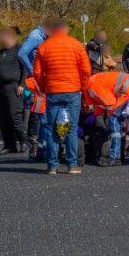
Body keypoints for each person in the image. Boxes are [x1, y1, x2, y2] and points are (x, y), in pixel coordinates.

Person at [33, 16, 90, 175]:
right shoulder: (77, 45)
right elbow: (86, 71)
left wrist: (44, 87)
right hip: (72, 91)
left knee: (51, 129)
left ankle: (52, 166)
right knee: (71, 129)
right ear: (65, 29)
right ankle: (72, 165)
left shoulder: (44, 46)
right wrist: (84, 90)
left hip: (53, 92)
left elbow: (37, 72)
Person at [82, 71, 129, 166]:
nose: (83, 107)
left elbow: (109, 103)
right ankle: (120, 156)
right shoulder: (91, 84)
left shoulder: (92, 87)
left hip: (128, 88)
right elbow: (101, 102)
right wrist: (95, 114)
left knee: (114, 121)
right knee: (119, 124)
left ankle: (114, 158)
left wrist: (109, 114)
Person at [0, 27, 26, 154]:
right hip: (0, 87)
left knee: (14, 116)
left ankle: (23, 141)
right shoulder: (2, 51)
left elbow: (25, 68)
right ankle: (9, 145)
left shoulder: (20, 49)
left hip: (14, 87)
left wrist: (22, 84)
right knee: (2, 118)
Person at [18, 23, 49, 159]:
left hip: (43, 81)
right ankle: (34, 146)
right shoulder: (36, 36)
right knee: (37, 112)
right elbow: (22, 53)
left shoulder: (43, 37)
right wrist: (33, 71)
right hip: (36, 82)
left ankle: (41, 147)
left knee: (41, 113)